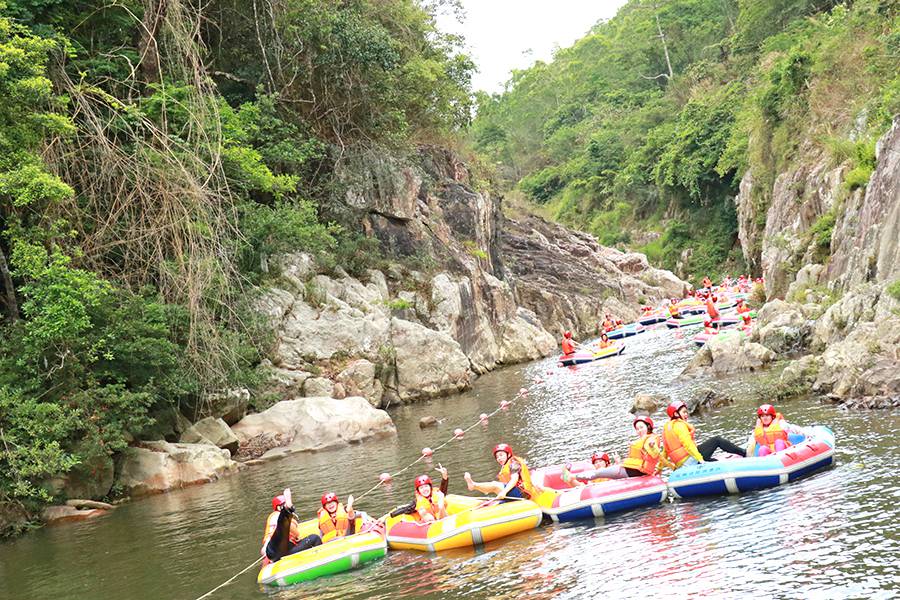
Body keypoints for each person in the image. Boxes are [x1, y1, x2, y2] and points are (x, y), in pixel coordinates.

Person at [662, 401, 746, 469]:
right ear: (676, 414)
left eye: (686, 412)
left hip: (682, 464)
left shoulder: (667, 429)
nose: (686, 415)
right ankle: (744, 453)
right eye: (684, 412)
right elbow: (688, 445)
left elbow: (664, 453)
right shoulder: (680, 425)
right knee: (717, 440)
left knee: (714, 461)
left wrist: (660, 469)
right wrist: (700, 459)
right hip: (691, 461)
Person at [261, 488, 322, 563]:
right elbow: (275, 532)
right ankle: (287, 509)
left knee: (314, 538)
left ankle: (315, 559)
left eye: (284, 505)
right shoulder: (276, 516)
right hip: (278, 549)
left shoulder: (276, 519)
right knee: (282, 527)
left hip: (284, 551)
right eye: (282, 506)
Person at [464, 443, 542, 500]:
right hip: (514, 492)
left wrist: (504, 492)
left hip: (522, 493)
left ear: (508, 455)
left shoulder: (514, 463)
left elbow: (514, 479)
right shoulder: (506, 466)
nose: (499, 458)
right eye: (497, 457)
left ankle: (473, 485)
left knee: (495, 485)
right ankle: (474, 486)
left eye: (501, 455)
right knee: (494, 487)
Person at [561, 451, 627, 485]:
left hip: (608, 486)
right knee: (581, 486)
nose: (598, 464)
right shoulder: (593, 474)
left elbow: (619, 471)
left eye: (600, 461)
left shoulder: (610, 469)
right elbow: (590, 483)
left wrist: (618, 461)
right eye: (596, 462)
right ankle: (568, 477)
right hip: (596, 488)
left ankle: (569, 477)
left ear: (606, 462)